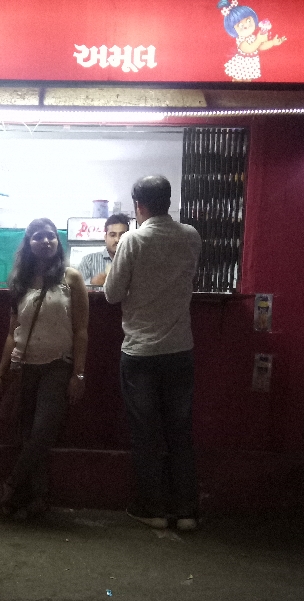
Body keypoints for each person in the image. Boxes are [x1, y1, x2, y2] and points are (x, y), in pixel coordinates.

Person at [104, 176, 202, 532]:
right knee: (180, 432)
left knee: (146, 433)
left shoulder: (133, 240)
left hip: (141, 353)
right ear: (169, 200)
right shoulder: (191, 235)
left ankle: (152, 509)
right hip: (180, 349)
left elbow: (112, 294)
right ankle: (187, 511)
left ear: (138, 205)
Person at [0, 218, 89, 518]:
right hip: (23, 365)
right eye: (38, 237)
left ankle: (11, 485)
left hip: (57, 366)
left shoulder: (71, 278)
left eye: (50, 236)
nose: (45, 241)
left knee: (42, 431)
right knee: (27, 435)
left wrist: (79, 374)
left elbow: (81, 331)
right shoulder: (20, 282)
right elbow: (12, 332)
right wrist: (1, 372)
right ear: (28, 243)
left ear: (58, 242)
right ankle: (38, 499)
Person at [217, 0, 286, 82]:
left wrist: (273, 43)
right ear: (233, 30)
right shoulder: (241, 39)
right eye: (241, 25)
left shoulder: (253, 37)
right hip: (241, 64)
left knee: (248, 80)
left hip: (251, 63)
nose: (247, 26)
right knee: (238, 80)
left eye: (249, 21)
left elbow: (260, 47)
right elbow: (248, 49)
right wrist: (259, 40)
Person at [78, 213, 130, 286]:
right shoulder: (88, 261)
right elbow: (76, 288)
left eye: (122, 235)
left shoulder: (134, 261)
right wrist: (93, 283)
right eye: (112, 235)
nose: (117, 240)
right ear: (105, 237)